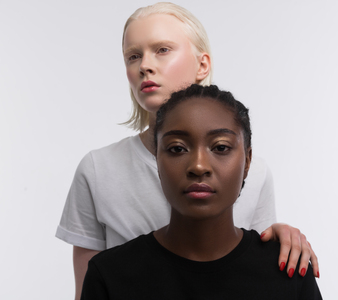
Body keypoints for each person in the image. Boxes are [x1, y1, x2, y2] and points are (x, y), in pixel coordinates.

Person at [56, 3, 319, 299]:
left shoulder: (255, 171)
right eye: (133, 56)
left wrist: (286, 236)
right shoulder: (98, 169)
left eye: (162, 50)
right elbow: (87, 289)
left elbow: (254, 261)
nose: (145, 65)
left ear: (202, 64)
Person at [81, 84, 322, 299]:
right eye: (177, 149)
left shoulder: (287, 270)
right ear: (157, 160)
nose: (198, 166)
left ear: (247, 161)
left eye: (220, 147)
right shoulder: (110, 275)